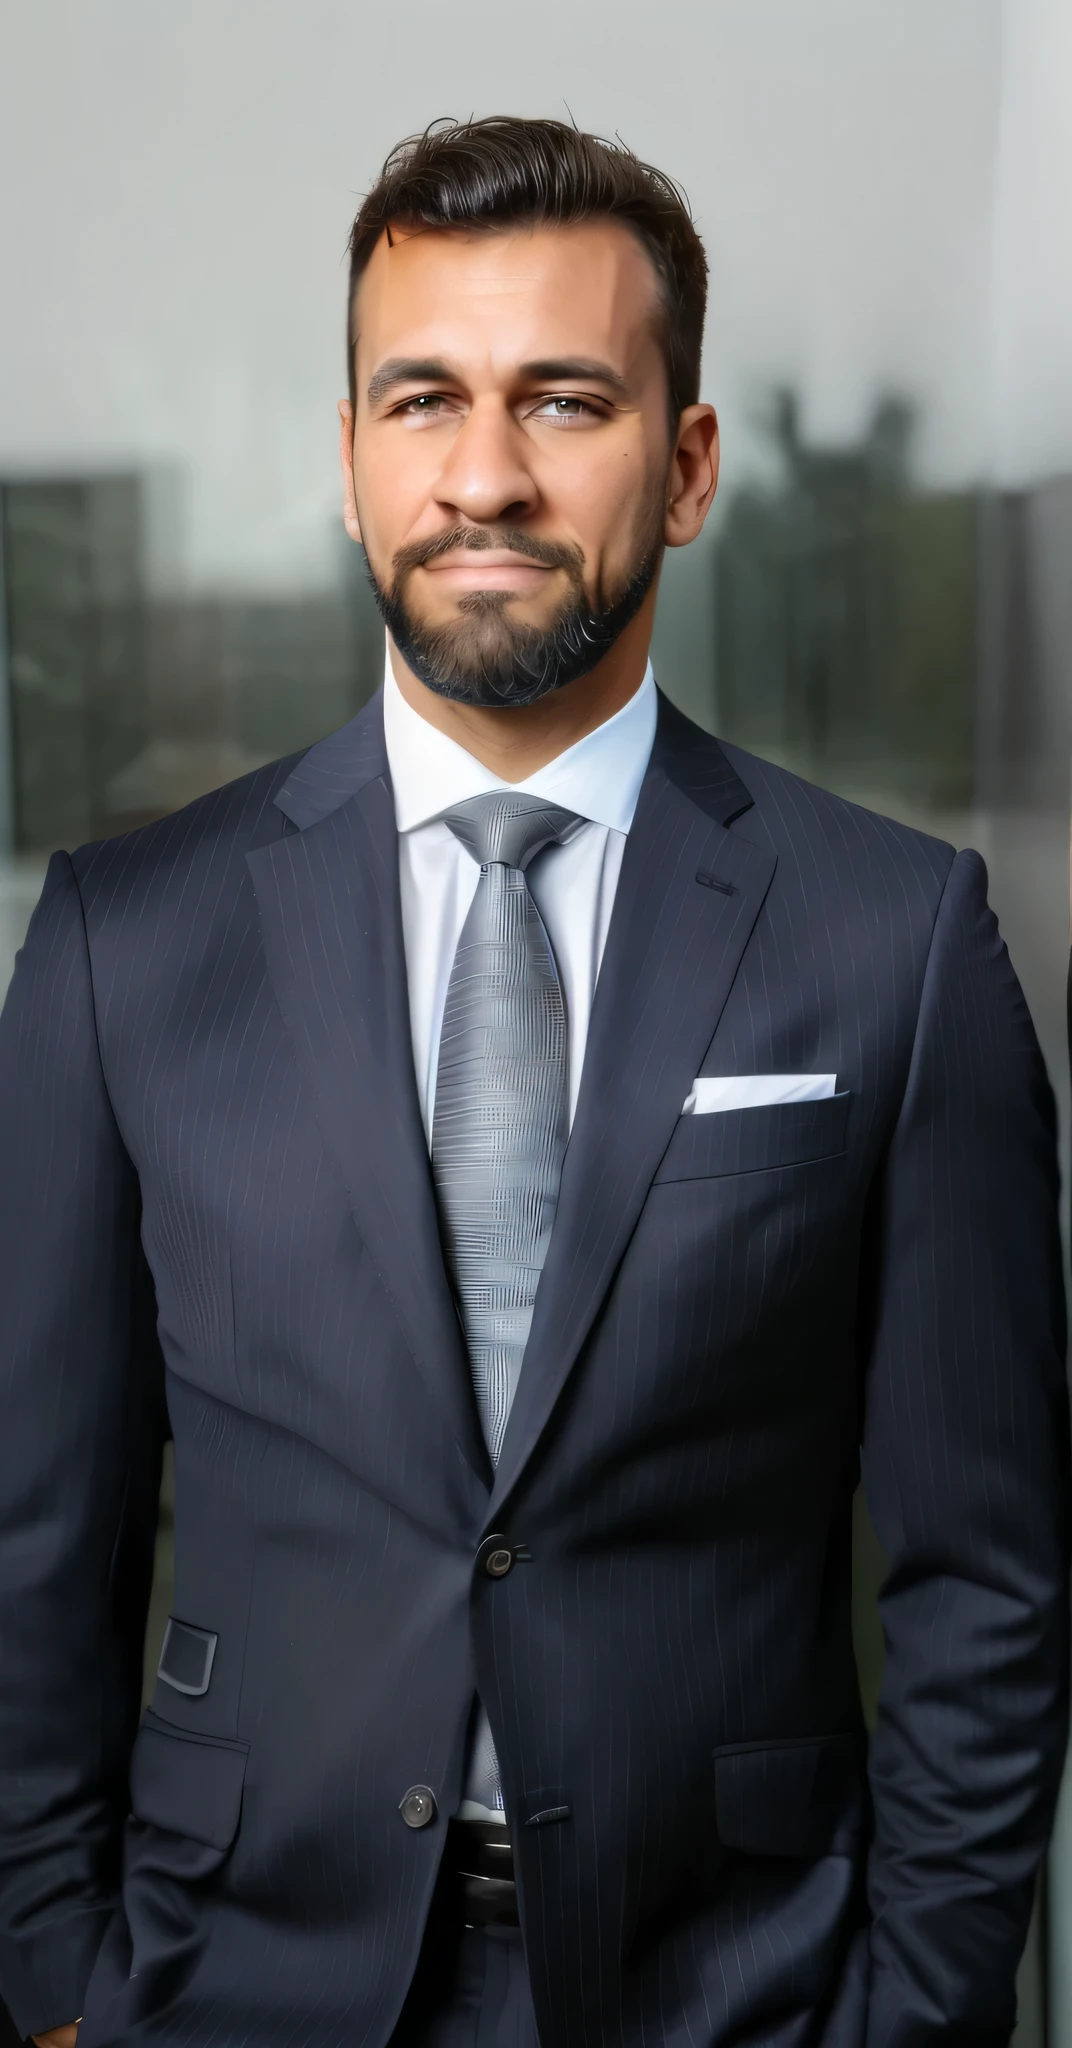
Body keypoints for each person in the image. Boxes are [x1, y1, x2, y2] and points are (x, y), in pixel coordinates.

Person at [0, 115, 1067, 2048]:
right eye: (423, 399)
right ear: (348, 463)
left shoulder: (896, 944)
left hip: (735, 1992)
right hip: (232, 1982)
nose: (481, 475)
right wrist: (59, 1984)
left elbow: (985, 1573)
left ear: (689, 465)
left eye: (563, 401)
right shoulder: (116, 946)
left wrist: (915, 2012)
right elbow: (31, 1530)